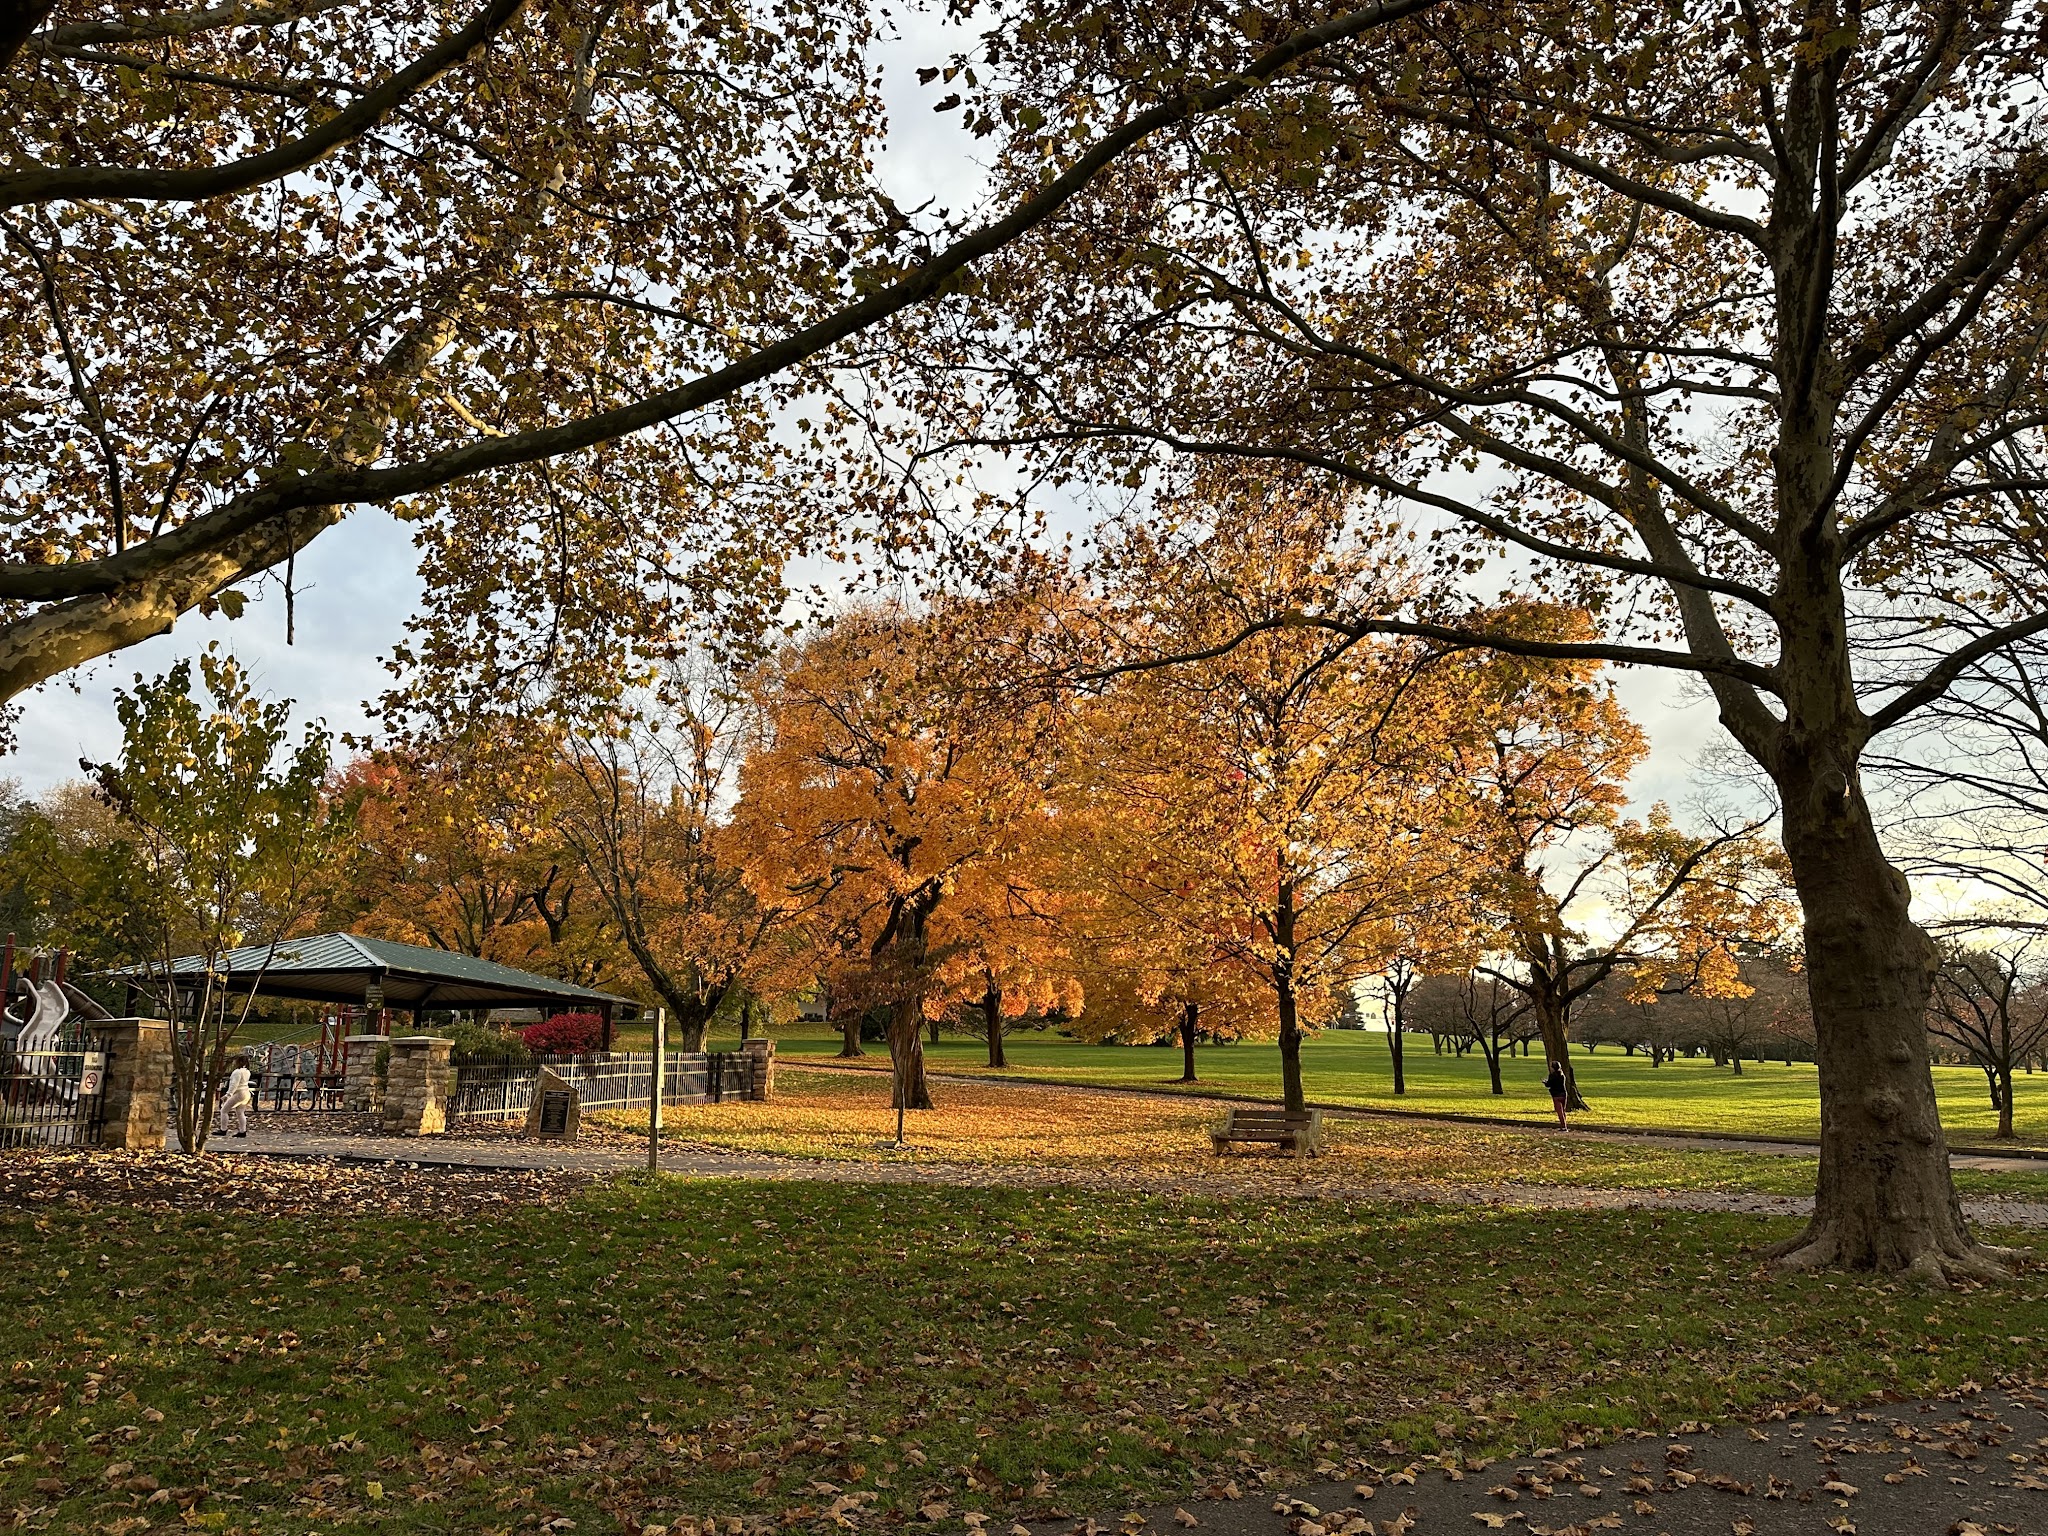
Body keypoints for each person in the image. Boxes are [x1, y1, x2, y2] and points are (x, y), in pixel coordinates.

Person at [214, 1052, 254, 1139]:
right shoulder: (247, 1071)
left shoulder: (237, 1072)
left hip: (239, 1093)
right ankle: (242, 1131)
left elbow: (234, 1085)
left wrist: (228, 1094)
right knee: (240, 1112)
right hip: (246, 1092)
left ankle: (223, 1129)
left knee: (224, 1110)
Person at [1543, 1058, 1571, 1130]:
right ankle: (1564, 1125)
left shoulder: (1552, 1076)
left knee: (1559, 1111)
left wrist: (1545, 1082)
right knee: (1563, 1111)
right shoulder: (1562, 1075)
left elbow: (1549, 1084)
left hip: (1556, 1095)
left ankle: (1564, 1127)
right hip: (1563, 1094)